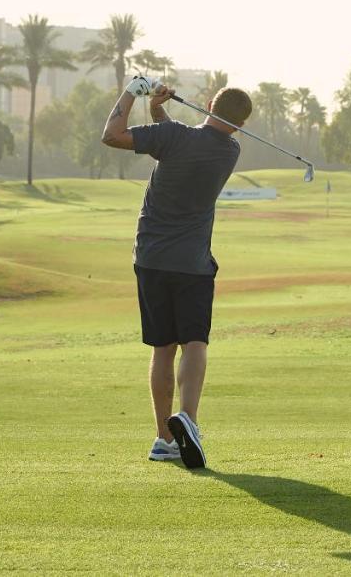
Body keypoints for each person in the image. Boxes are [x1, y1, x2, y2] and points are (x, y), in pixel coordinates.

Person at [101, 74, 253, 468]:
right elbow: (177, 138)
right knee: (195, 343)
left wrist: (135, 93)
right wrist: (157, 109)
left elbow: (112, 135)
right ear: (241, 123)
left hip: (150, 258)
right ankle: (188, 417)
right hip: (192, 265)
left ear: (208, 104)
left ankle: (163, 438)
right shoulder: (229, 151)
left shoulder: (175, 139)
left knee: (162, 348)